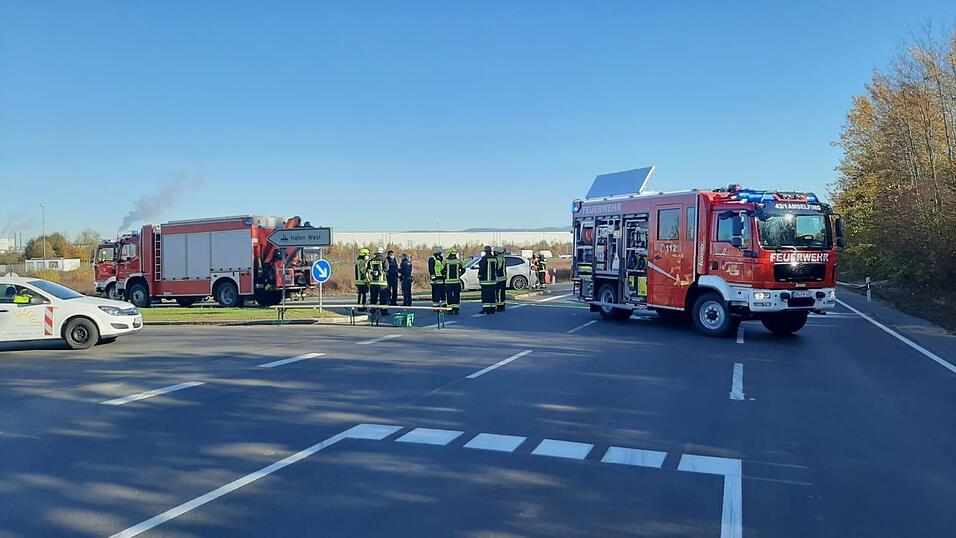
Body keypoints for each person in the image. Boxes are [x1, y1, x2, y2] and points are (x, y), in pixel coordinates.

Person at [443, 247, 465, 314]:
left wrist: (445, 275)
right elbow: (463, 270)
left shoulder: (446, 261)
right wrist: (459, 275)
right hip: (457, 281)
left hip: (448, 282)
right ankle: (456, 309)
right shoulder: (458, 261)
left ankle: (450, 309)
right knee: (456, 295)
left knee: (449, 296)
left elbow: (442, 271)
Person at [367, 247, 389, 315]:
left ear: (376, 253)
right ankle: (383, 311)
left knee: (373, 298)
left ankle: (373, 310)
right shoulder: (384, 260)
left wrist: (373, 273)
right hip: (382, 283)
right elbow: (386, 269)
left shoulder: (371, 260)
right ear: (382, 253)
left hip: (373, 283)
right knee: (383, 299)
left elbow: (368, 270)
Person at [478, 245, 499, 314]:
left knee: (485, 295)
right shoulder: (495, 259)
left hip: (485, 281)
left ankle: (486, 309)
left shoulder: (484, 259)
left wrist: (479, 275)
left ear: (485, 251)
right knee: (492, 295)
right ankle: (492, 309)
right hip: (493, 280)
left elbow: (482, 269)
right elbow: (497, 268)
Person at [428, 246, 445, 310]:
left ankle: (444, 304)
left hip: (441, 279)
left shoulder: (440, 259)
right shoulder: (432, 259)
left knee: (442, 292)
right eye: (441, 252)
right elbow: (431, 269)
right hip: (435, 280)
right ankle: (436, 306)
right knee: (436, 293)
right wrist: (433, 278)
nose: (442, 254)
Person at [494, 246, 507, 312]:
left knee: (498, 292)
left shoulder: (498, 259)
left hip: (499, 278)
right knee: (502, 292)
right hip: (503, 278)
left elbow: (498, 268)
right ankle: (502, 305)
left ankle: (499, 307)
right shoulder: (502, 258)